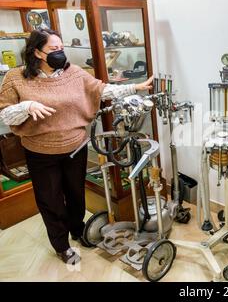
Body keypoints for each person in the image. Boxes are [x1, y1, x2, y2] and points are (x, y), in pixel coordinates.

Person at [0, 29, 153, 265]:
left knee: (75, 194)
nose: (59, 53)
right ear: (37, 52)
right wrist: (27, 106)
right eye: (53, 49)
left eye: (61, 48)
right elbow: (5, 115)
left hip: (75, 146)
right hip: (41, 151)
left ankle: (77, 229)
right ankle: (61, 245)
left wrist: (135, 87)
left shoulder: (73, 73)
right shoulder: (16, 77)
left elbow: (102, 90)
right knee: (50, 201)